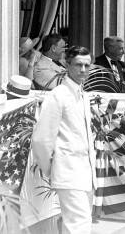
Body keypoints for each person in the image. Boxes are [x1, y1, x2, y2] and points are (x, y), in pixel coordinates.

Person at [32, 46, 96, 234]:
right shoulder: (58, 95)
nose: (83, 70)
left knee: (78, 225)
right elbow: (41, 139)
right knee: (79, 225)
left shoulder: (82, 95)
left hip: (85, 171)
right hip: (68, 171)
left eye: (87, 65)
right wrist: (51, 168)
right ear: (67, 65)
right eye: (78, 65)